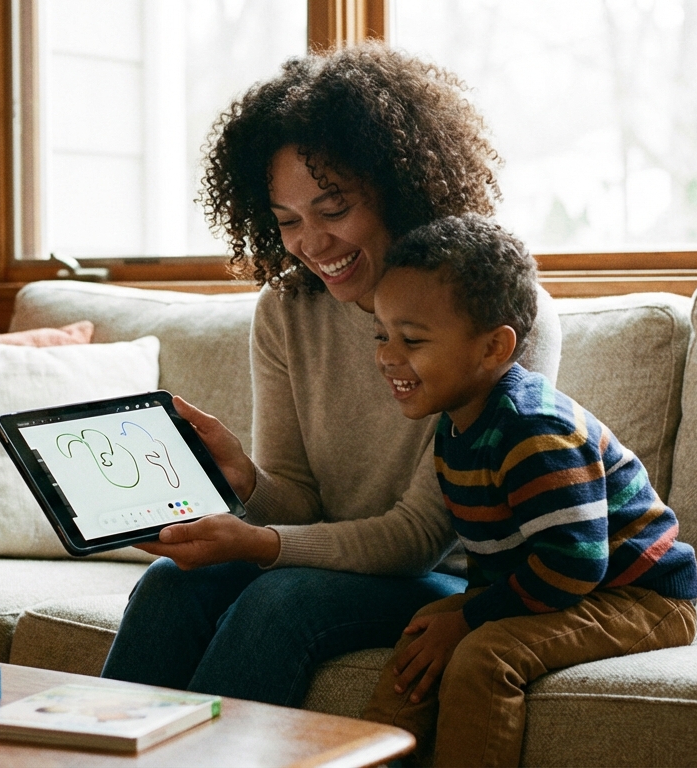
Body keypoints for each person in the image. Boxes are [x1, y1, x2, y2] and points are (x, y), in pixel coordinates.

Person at [99, 44, 562, 707]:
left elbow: (418, 539)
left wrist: (258, 543)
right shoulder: (285, 310)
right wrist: (250, 482)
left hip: (450, 580)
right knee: (172, 583)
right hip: (330, 561)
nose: (310, 243)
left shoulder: (500, 319)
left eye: (334, 209)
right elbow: (303, 503)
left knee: (280, 602)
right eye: (287, 221)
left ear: (400, 187)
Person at [361, 214, 697, 767]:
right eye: (381, 334)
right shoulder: (454, 425)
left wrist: (471, 619)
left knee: (483, 658)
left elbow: (574, 564)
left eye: (412, 339)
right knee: (424, 632)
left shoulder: (533, 432)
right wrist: (455, 616)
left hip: (638, 596)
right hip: (555, 582)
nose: (386, 355)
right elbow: (500, 558)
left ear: (494, 347)